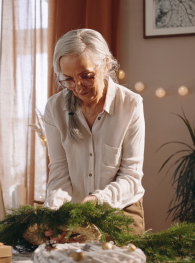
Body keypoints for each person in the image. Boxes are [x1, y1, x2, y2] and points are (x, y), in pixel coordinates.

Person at [42, 29, 146, 234]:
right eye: (68, 79)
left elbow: (131, 177)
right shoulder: (54, 108)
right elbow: (59, 172)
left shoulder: (130, 105)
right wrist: (53, 211)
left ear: (105, 64)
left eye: (86, 76)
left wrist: (98, 201)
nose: (79, 87)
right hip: (74, 213)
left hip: (121, 210)